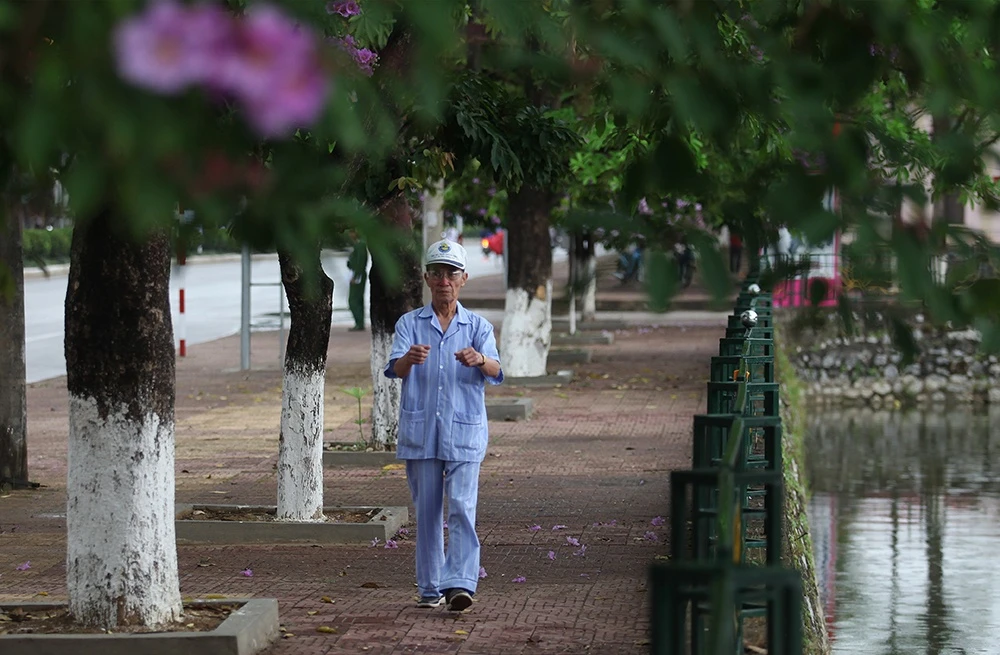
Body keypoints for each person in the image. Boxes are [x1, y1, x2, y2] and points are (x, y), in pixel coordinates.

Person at [383, 239, 503, 612]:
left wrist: (479, 359)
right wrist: (409, 358)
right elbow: (394, 368)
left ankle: (461, 584)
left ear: (463, 279)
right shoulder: (409, 324)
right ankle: (430, 587)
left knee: (463, 507)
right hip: (422, 433)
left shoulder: (478, 326)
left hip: (465, 430)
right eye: (437, 273)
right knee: (428, 512)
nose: (444, 281)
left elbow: (497, 370)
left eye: (451, 274)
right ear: (427, 278)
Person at [347, 232, 368, 331]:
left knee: (353, 300)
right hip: (356, 273)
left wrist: (356, 277)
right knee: (358, 299)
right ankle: (360, 323)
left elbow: (361, 262)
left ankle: (359, 323)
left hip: (358, 274)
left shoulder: (360, 245)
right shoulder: (358, 245)